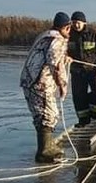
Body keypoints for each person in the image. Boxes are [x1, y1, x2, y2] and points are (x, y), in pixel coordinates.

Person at [20, 12, 71, 163]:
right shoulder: (58, 40)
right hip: (39, 83)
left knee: (42, 114)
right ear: (66, 27)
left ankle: (45, 148)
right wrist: (62, 85)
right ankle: (45, 151)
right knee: (49, 114)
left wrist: (65, 58)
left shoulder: (45, 36)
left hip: (29, 80)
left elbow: (48, 57)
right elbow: (54, 64)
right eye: (69, 28)